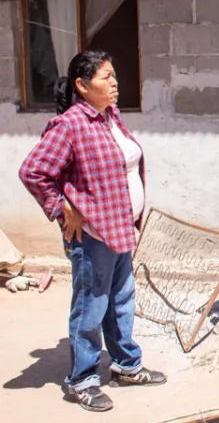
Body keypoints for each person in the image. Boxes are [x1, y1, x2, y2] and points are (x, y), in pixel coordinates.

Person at [19, 50, 166, 413]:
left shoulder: (109, 116)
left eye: (114, 75)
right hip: (93, 236)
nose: (115, 82)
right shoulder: (70, 125)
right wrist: (61, 207)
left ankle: (126, 365)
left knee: (120, 301)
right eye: (105, 77)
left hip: (119, 230)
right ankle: (82, 380)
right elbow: (33, 171)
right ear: (83, 86)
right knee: (90, 307)